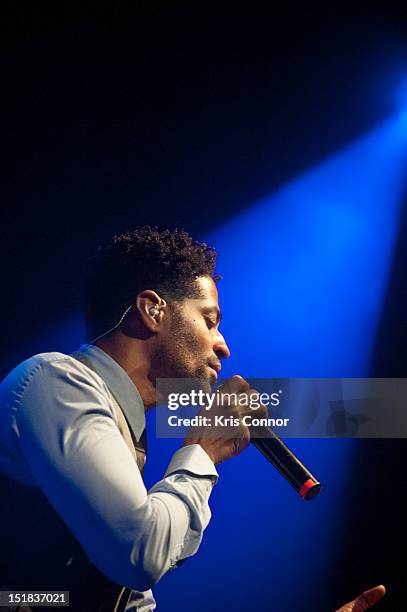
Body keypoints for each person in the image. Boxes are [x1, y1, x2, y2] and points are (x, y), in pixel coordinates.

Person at [0, 227, 385, 611]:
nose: (224, 345)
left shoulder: (123, 439)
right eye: (210, 319)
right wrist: (201, 450)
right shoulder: (54, 381)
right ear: (152, 310)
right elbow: (139, 554)